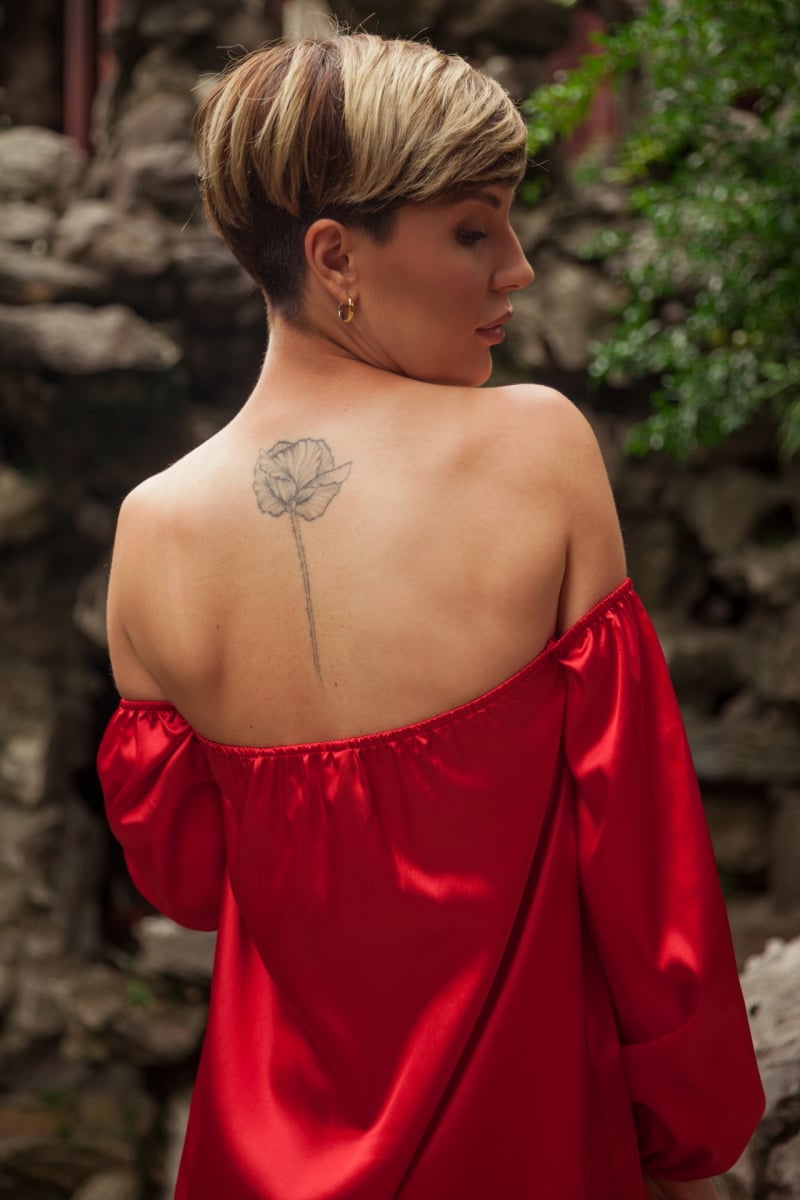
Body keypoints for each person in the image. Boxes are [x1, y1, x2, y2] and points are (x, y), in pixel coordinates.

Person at [97, 32, 764, 1200]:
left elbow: (192, 882)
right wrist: (690, 1118)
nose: (516, 268)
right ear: (333, 254)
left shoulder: (150, 533)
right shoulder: (534, 444)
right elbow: (644, 864)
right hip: (524, 1149)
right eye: (472, 229)